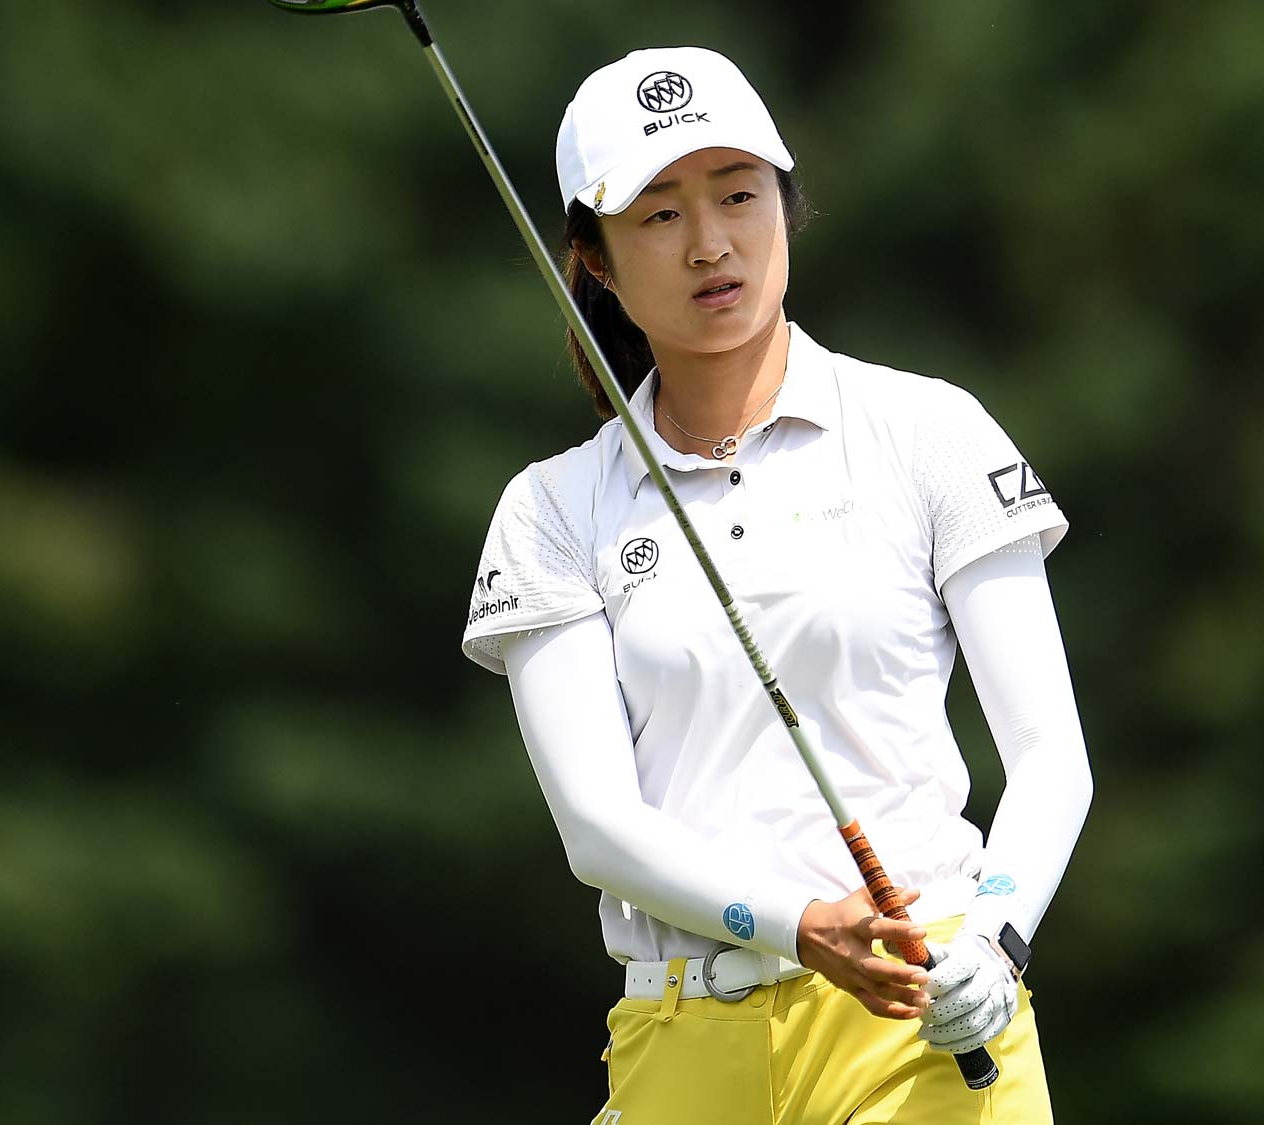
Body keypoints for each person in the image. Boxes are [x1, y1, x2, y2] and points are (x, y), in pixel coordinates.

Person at [461, 45, 1092, 1124]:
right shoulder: (552, 509)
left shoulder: (925, 430)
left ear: (784, 209)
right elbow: (596, 827)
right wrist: (800, 924)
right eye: (657, 215)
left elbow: (1049, 758)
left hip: (921, 1018)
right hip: (681, 1035)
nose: (710, 243)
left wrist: (993, 938)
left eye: (737, 195)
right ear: (596, 262)